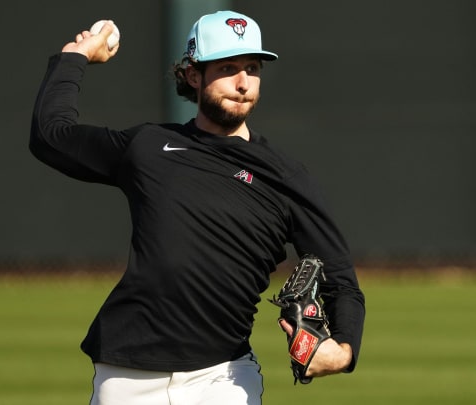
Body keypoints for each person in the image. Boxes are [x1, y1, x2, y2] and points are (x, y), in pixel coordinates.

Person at [30, 10, 365, 405]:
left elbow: (339, 278)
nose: (243, 83)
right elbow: (50, 137)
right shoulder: (149, 147)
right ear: (192, 75)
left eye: (252, 68)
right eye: (228, 68)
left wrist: (342, 350)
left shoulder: (286, 177)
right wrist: (75, 56)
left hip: (223, 379)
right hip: (126, 375)